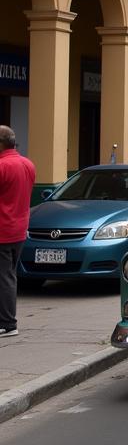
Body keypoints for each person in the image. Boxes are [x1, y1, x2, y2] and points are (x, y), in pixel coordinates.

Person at [0, 125, 35, 338]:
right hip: (19, 229)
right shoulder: (27, 164)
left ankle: (7, 323)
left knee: (4, 278)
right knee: (8, 276)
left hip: (2, 229)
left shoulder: (2, 166)